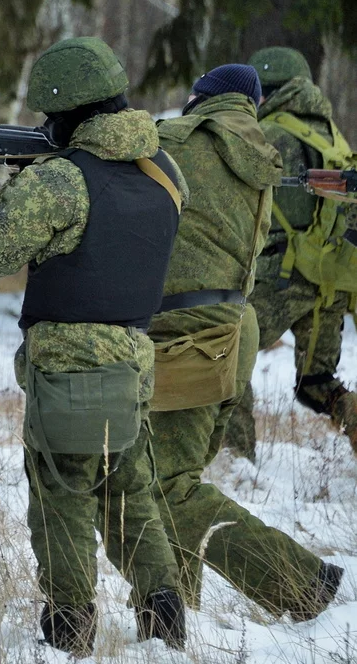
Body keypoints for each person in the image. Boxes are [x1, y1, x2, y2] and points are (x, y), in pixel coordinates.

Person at [0, 37, 187, 656]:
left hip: (66, 370)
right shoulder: (164, 171)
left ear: (65, 112)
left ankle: (69, 628)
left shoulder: (61, 182)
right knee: (130, 492)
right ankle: (164, 618)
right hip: (134, 358)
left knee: (62, 498)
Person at [148, 64, 343, 620]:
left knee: (169, 488)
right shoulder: (262, 154)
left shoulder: (176, 144)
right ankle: (171, 613)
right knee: (173, 479)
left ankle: (300, 581)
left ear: (198, 99)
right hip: (235, 332)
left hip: (187, 335)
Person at [225, 47, 357, 460]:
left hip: (282, 279)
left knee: (227, 350)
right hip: (331, 285)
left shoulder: (269, 136)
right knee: (316, 384)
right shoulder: (332, 135)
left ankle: (235, 459)